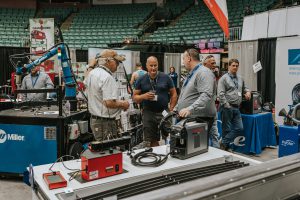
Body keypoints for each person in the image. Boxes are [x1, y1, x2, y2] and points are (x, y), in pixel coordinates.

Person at [85, 49, 130, 141]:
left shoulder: (92, 73)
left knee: (102, 151)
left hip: (95, 120)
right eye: (116, 61)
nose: (118, 64)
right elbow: (109, 103)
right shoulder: (107, 77)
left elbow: (86, 80)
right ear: (108, 61)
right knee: (108, 151)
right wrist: (124, 104)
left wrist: (90, 66)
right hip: (105, 122)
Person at [133, 56, 177, 147]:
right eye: (151, 65)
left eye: (155, 65)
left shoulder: (166, 77)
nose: (153, 68)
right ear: (146, 66)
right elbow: (134, 97)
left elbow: (174, 94)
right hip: (148, 112)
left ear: (158, 65)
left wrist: (171, 109)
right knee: (151, 138)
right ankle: (158, 156)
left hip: (164, 111)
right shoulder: (141, 79)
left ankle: (170, 154)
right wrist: (144, 96)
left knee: (170, 135)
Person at [174, 49, 216, 135]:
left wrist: (190, 109)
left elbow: (206, 95)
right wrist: (176, 109)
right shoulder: (193, 73)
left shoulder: (203, 72)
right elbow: (186, 95)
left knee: (195, 147)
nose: (183, 61)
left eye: (183, 59)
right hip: (190, 118)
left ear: (189, 58)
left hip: (199, 119)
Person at [218, 58, 251, 151]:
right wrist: (226, 105)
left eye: (237, 66)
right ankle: (226, 147)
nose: (235, 67)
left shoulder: (240, 78)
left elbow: (245, 88)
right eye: (233, 65)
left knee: (240, 128)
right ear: (229, 66)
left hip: (237, 108)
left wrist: (247, 92)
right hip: (226, 107)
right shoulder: (223, 79)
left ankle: (223, 142)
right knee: (226, 129)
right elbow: (220, 94)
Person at [203, 55, 220, 148]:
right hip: (202, 112)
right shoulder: (202, 76)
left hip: (212, 111)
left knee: (214, 135)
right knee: (203, 136)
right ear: (205, 64)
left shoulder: (213, 76)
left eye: (215, 63)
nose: (214, 65)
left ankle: (218, 155)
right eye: (212, 63)